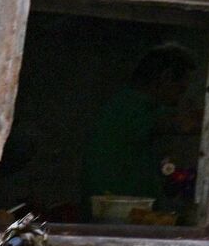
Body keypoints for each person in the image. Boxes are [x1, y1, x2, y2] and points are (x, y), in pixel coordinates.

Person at [81, 43, 199, 205]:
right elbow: (185, 123)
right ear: (166, 77)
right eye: (180, 90)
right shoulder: (131, 109)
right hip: (118, 215)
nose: (179, 99)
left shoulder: (125, 105)